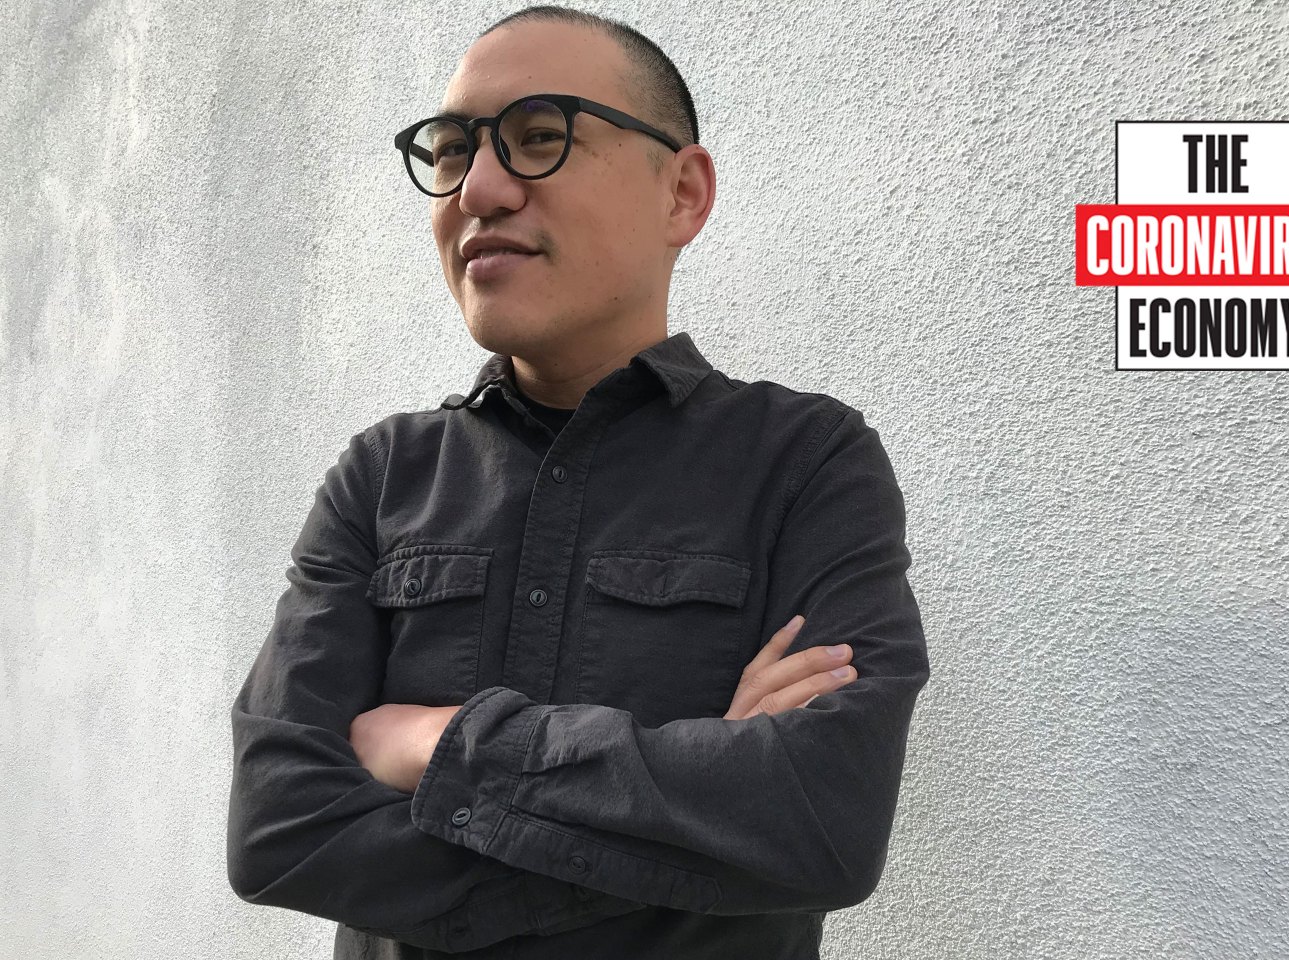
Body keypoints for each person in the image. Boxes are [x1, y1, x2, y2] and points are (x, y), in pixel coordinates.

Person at [225, 6, 930, 958]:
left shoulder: (806, 464)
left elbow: (820, 822)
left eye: (538, 137)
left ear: (682, 193)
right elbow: (279, 830)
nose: (478, 190)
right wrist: (691, 830)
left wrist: (439, 744)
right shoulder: (382, 478)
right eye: (452, 151)